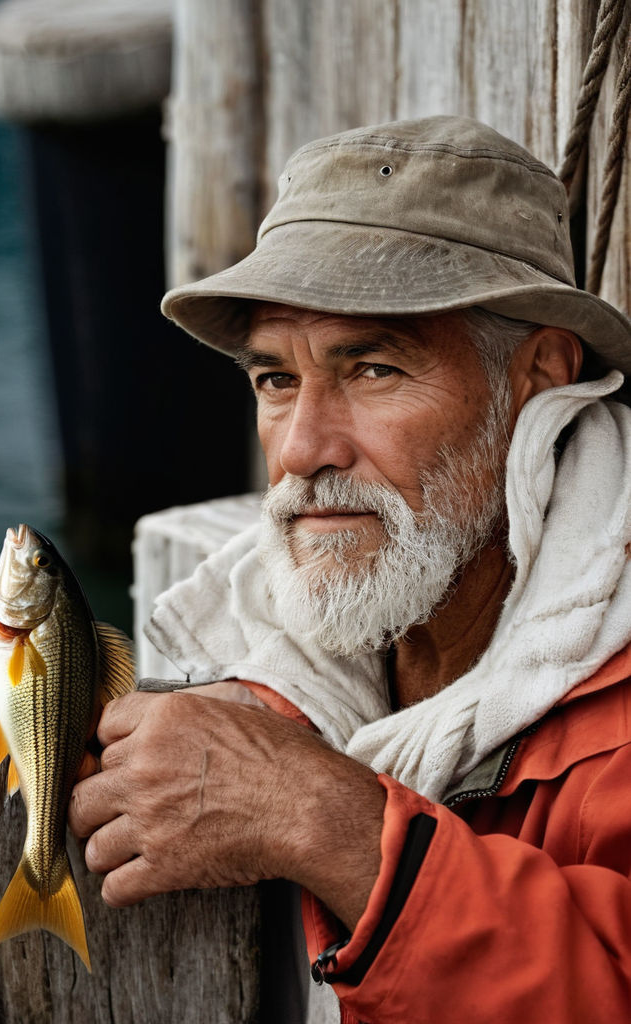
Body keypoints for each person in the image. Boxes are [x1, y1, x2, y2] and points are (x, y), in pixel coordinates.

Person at [69, 116, 631, 1022]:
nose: (300, 450)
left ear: (536, 375)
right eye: (274, 381)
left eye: (371, 369)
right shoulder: (234, 640)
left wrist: (315, 813)